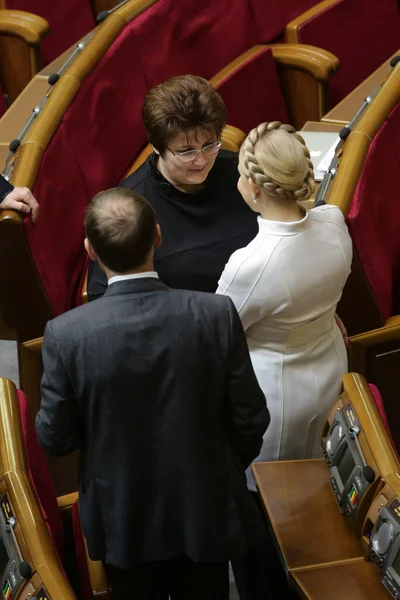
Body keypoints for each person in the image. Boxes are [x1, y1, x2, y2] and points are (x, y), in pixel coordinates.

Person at [36, 187, 270, 600]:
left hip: (122, 515)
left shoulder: (66, 334)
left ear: (90, 250)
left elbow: (56, 437)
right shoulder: (214, 314)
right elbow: (251, 416)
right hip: (205, 503)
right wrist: (219, 467)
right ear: (158, 237)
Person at [217, 121, 353, 479]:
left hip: (277, 391)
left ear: (256, 188)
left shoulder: (251, 264)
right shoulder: (334, 221)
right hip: (331, 362)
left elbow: (220, 335)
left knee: (276, 490)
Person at [87, 75, 257, 300]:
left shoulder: (240, 171)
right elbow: (106, 296)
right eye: (186, 151)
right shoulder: (129, 208)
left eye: (209, 145)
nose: (201, 161)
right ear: (158, 147)